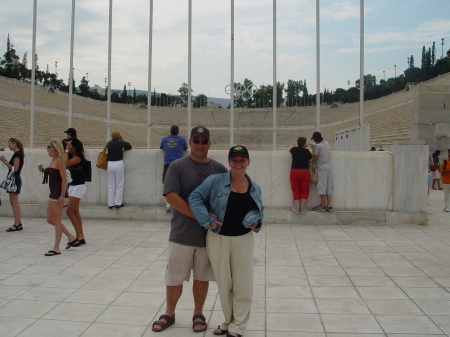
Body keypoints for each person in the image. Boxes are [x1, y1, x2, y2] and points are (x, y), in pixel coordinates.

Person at [152, 126, 227, 333]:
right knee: (174, 277)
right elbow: (171, 196)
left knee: (202, 277)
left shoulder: (219, 169)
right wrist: (201, 216)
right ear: (190, 143)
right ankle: (169, 313)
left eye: (204, 141)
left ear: (209, 144)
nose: (200, 145)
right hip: (182, 233)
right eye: (196, 141)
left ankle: (198, 313)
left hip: (208, 236)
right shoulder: (177, 166)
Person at [189, 145, 264, 337]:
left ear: (248, 162)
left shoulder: (255, 187)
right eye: (234, 160)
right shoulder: (216, 181)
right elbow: (195, 197)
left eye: (242, 160)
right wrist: (208, 220)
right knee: (225, 285)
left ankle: (238, 326)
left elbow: (259, 211)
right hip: (218, 238)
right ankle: (228, 321)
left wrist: (257, 222)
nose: (238, 164)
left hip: (243, 241)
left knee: (243, 285)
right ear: (229, 163)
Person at [39, 139, 78, 256]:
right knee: (50, 220)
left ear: (55, 148)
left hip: (58, 194)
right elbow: (53, 174)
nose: (47, 149)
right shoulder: (53, 160)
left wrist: (62, 195)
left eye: (49, 146)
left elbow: (64, 179)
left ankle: (56, 248)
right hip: (53, 193)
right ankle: (71, 237)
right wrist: (44, 171)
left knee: (56, 220)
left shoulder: (60, 161)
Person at [159, 125, 188, 214]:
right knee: (180, 183)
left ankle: (168, 205)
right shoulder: (182, 139)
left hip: (168, 164)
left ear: (170, 131)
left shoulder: (164, 139)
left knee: (167, 184)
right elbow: (185, 148)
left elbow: (161, 147)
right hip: (179, 163)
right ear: (178, 131)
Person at [64, 138, 87, 245]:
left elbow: (66, 163)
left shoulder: (79, 157)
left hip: (79, 186)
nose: (70, 148)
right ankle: (81, 236)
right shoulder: (72, 156)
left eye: (71, 146)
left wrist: (67, 150)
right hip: (72, 186)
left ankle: (78, 236)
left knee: (69, 211)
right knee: (75, 212)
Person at [1, 138, 25, 232]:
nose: (9, 145)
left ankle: (17, 224)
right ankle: (18, 222)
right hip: (14, 179)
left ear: (15, 144)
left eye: (10, 143)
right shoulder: (18, 154)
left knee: (14, 202)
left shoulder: (17, 154)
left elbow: (15, 169)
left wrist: (5, 161)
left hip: (14, 179)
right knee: (14, 202)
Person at [107, 130, 132, 209]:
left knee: (111, 185)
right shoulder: (120, 142)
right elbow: (128, 146)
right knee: (119, 184)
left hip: (110, 164)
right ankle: (118, 203)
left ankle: (110, 203)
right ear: (119, 136)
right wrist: (122, 139)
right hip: (118, 163)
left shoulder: (109, 143)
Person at [310, 131, 333, 212]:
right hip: (329, 167)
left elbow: (315, 157)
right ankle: (329, 205)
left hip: (322, 168)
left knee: (322, 186)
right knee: (329, 186)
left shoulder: (318, 146)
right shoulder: (326, 143)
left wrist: (313, 149)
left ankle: (322, 205)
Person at [289, 137, 313, 213]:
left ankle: (297, 208)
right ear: (304, 144)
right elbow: (311, 160)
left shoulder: (294, 150)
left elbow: (289, 150)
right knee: (305, 190)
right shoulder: (306, 151)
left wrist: (302, 145)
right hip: (304, 171)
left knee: (295, 190)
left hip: (294, 171)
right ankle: (302, 208)